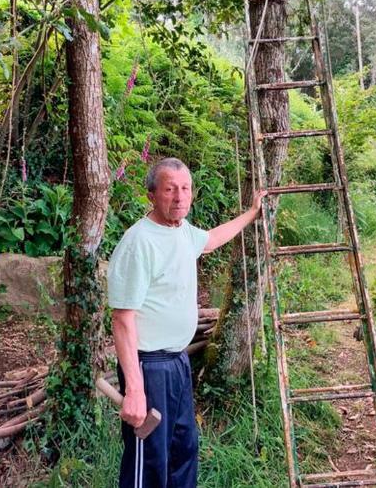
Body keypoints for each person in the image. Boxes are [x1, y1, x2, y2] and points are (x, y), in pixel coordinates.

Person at [107, 157, 266, 488]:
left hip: (178, 364)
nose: (179, 197)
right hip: (149, 368)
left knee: (183, 451)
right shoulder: (139, 242)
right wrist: (135, 389)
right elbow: (122, 320)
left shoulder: (182, 232)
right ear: (151, 194)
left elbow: (210, 239)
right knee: (149, 463)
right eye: (169, 189)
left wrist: (251, 214)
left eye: (185, 188)